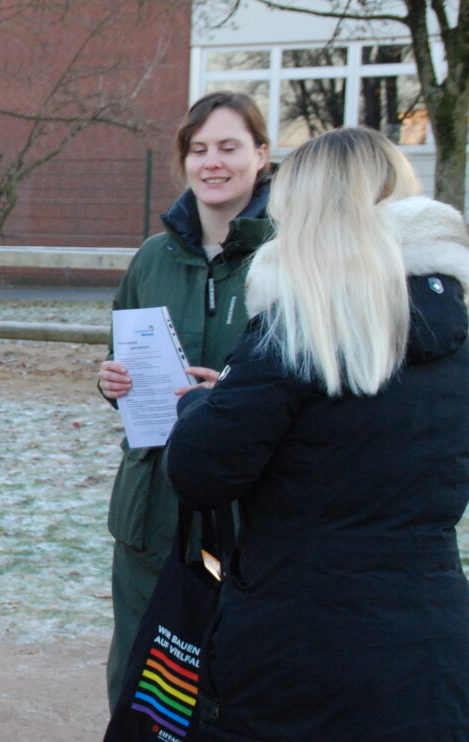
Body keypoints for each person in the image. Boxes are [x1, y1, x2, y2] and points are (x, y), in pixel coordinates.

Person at [164, 126, 469, 739]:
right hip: (431, 628)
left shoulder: (301, 325)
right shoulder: (455, 330)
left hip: (303, 637)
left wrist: (203, 405)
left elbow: (199, 470)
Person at [96, 91, 273, 709]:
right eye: (198, 150)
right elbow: (120, 349)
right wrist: (110, 381)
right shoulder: (152, 257)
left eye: (229, 147)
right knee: (143, 675)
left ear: (261, 155)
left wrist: (235, 399)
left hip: (248, 507)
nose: (212, 163)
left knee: (236, 675)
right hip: (152, 505)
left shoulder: (289, 257)